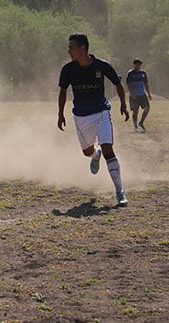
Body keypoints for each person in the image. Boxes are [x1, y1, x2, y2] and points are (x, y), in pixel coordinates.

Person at [57, 33, 129, 207]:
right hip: (81, 116)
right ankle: (95, 155)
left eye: (71, 48)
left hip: (101, 112)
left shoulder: (101, 66)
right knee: (87, 152)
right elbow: (63, 91)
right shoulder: (68, 69)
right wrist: (60, 113)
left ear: (82, 49)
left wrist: (123, 105)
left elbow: (118, 83)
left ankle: (120, 191)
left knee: (108, 149)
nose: (69, 51)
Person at [126, 58, 152, 132]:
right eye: (136, 64)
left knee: (147, 108)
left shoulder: (143, 73)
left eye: (139, 64)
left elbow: (146, 84)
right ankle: (135, 125)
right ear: (134, 64)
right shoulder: (130, 73)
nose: (138, 65)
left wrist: (149, 94)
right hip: (134, 96)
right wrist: (132, 93)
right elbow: (128, 85)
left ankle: (141, 122)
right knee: (135, 111)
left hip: (142, 95)